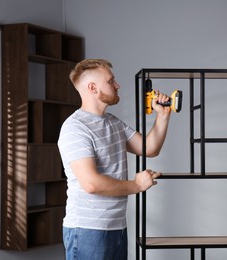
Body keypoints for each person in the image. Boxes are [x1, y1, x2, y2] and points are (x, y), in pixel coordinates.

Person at [57, 59, 171, 260]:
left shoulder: (113, 123)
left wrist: (162, 116)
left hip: (116, 226)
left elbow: (149, 148)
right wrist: (136, 185)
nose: (117, 85)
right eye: (111, 81)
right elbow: (91, 183)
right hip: (87, 230)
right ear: (93, 88)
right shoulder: (75, 128)